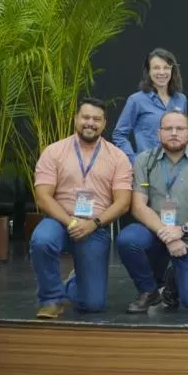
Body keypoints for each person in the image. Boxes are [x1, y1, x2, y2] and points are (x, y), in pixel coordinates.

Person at [30, 98, 133, 319]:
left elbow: (123, 202)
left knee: (93, 304)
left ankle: (72, 283)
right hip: (59, 220)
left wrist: (93, 224)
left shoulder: (118, 157)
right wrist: (71, 222)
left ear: (105, 124)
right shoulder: (54, 151)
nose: (90, 123)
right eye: (85, 117)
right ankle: (50, 300)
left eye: (96, 119)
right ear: (75, 119)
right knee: (42, 240)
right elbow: (43, 197)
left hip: (96, 226)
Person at [118, 110, 188, 313]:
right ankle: (149, 291)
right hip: (154, 234)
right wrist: (169, 236)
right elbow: (138, 206)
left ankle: (172, 281)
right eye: (168, 128)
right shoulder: (144, 161)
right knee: (127, 239)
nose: (174, 133)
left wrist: (181, 230)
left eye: (180, 128)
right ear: (159, 133)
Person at [113, 48, 188, 165]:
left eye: (166, 67)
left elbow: (184, 133)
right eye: (156, 68)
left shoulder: (181, 99)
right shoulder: (137, 100)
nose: (162, 72)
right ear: (148, 71)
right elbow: (119, 134)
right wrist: (134, 160)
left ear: (172, 70)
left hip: (177, 165)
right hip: (148, 166)